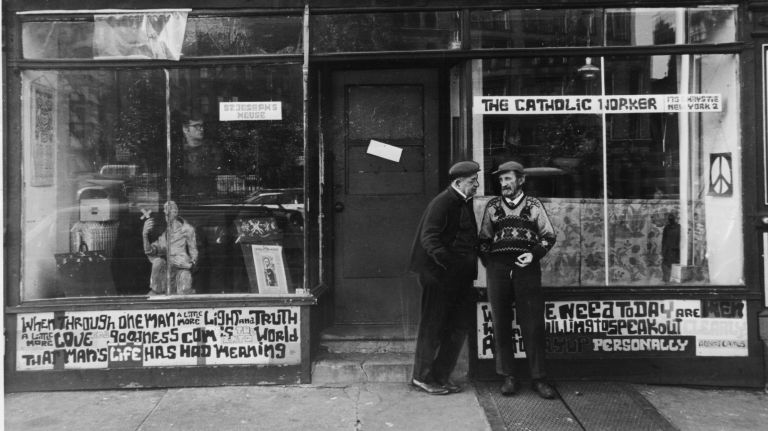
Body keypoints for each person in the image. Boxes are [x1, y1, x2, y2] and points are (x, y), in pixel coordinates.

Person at [479, 160, 557, 399]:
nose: (504, 184)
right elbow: (483, 239)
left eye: (509, 179)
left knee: (532, 323)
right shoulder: (493, 207)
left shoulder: (533, 205)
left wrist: (532, 255)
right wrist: (491, 263)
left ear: (521, 180)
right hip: (498, 268)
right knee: (500, 321)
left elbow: (549, 235)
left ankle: (539, 378)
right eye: (501, 180)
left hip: (526, 268)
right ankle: (508, 376)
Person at [408, 161, 481, 395]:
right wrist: (449, 265)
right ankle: (422, 377)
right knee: (434, 326)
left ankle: (440, 376)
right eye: (472, 181)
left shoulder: (463, 201)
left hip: (459, 278)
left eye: (476, 180)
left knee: (457, 327)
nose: (476, 185)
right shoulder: (443, 201)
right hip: (439, 276)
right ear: (459, 182)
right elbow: (429, 238)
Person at [142, 200, 198, 295]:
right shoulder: (166, 235)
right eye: (165, 211)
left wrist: (190, 265)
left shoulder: (187, 229)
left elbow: (194, 253)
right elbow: (150, 251)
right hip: (168, 271)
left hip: (182, 269)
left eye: (168, 210)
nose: (165, 213)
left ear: (175, 212)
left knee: (184, 280)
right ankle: (155, 291)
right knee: (158, 262)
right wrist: (144, 235)